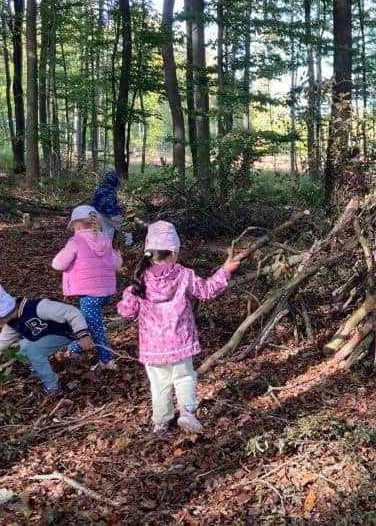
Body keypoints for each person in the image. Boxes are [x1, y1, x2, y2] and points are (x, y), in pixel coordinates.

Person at [116, 221, 240, 435]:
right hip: (181, 342)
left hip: (153, 347)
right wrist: (225, 271)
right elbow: (207, 291)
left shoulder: (140, 280)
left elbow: (126, 312)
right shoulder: (184, 274)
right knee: (184, 377)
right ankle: (187, 413)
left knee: (159, 383)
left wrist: (130, 308)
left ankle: (161, 421)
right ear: (173, 252)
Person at [0, 283, 94, 396]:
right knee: (20, 348)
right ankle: (38, 370)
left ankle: (53, 386)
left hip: (64, 332)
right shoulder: (12, 322)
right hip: (46, 335)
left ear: (2, 315)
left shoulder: (38, 307)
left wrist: (83, 335)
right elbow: (2, 341)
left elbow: (71, 312)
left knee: (34, 351)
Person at [52, 205, 123, 370]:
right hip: (106, 293)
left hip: (89, 295)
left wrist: (62, 252)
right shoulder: (105, 240)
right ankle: (73, 349)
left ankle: (107, 360)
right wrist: (119, 256)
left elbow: (58, 264)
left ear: (76, 225)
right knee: (90, 323)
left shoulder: (75, 241)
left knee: (94, 328)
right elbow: (116, 263)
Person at [92, 171, 124, 241]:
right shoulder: (111, 191)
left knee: (104, 231)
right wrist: (112, 215)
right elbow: (109, 203)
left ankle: (99, 245)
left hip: (97, 214)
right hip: (107, 215)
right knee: (125, 226)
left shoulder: (99, 189)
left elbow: (94, 201)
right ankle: (128, 243)